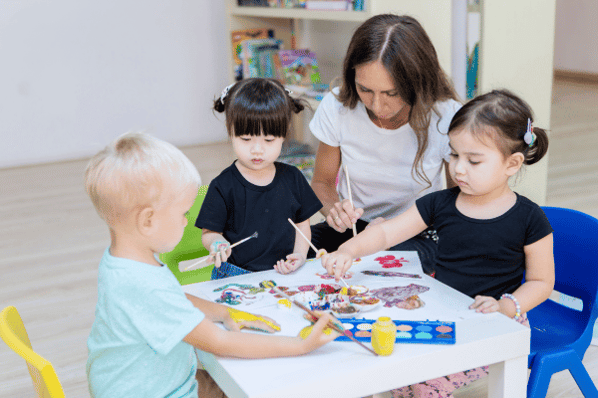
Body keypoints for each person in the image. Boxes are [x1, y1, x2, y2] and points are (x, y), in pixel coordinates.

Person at [321, 89, 555, 398]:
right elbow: (387, 233)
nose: (458, 168)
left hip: (496, 321)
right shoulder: (441, 203)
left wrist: (505, 306)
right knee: (384, 357)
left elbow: (541, 281)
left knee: (421, 383)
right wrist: (348, 249)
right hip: (445, 309)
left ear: (512, 164)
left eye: (473, 160)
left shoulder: (529, 218)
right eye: (455, 155)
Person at [84, 132, 338, 398]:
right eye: (183, 213)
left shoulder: (123, 260)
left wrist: (225, 312)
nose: (186, 222)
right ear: (147, 221)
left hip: (138, 383)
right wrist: (299, 345)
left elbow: (174, 297)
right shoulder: (146, 287)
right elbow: (220, 342)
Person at [308, 14, 462, 273]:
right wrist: (335, 210)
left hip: (416, 233)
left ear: (417, 82)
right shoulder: (336, 107)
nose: (377, 106)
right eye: (365, 89)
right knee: (283, 247)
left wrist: (392, 232)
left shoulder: (446, 116)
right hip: (354, 229)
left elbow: (459, 200)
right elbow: (322, 182)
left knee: (380, 270)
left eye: (392, 93)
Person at [196, 78, 323, 280]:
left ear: (283, 135)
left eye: (269, 140)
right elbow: (208, 233)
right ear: (231, 132)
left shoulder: (293, 178)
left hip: (283, 273)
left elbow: (302, 226)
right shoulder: (222, 185)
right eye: (246, 139)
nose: (257, 149)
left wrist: (299, 255)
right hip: (235, 275)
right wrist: (216, 243)